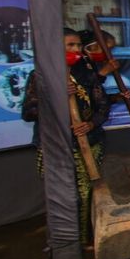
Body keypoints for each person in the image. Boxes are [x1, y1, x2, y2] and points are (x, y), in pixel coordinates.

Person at [21, 29, 110, 244]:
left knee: (88, 193)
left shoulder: (86, 74)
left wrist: (90, 124)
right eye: (70, 45)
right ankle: (65, 245)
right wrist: (56, 95)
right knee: (64, 197)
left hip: (89, 142)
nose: (76, 50)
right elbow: (28, 113)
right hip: (56, 146)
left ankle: (87, 239)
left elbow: (103, 106)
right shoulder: (40, 76)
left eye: (78, 45)